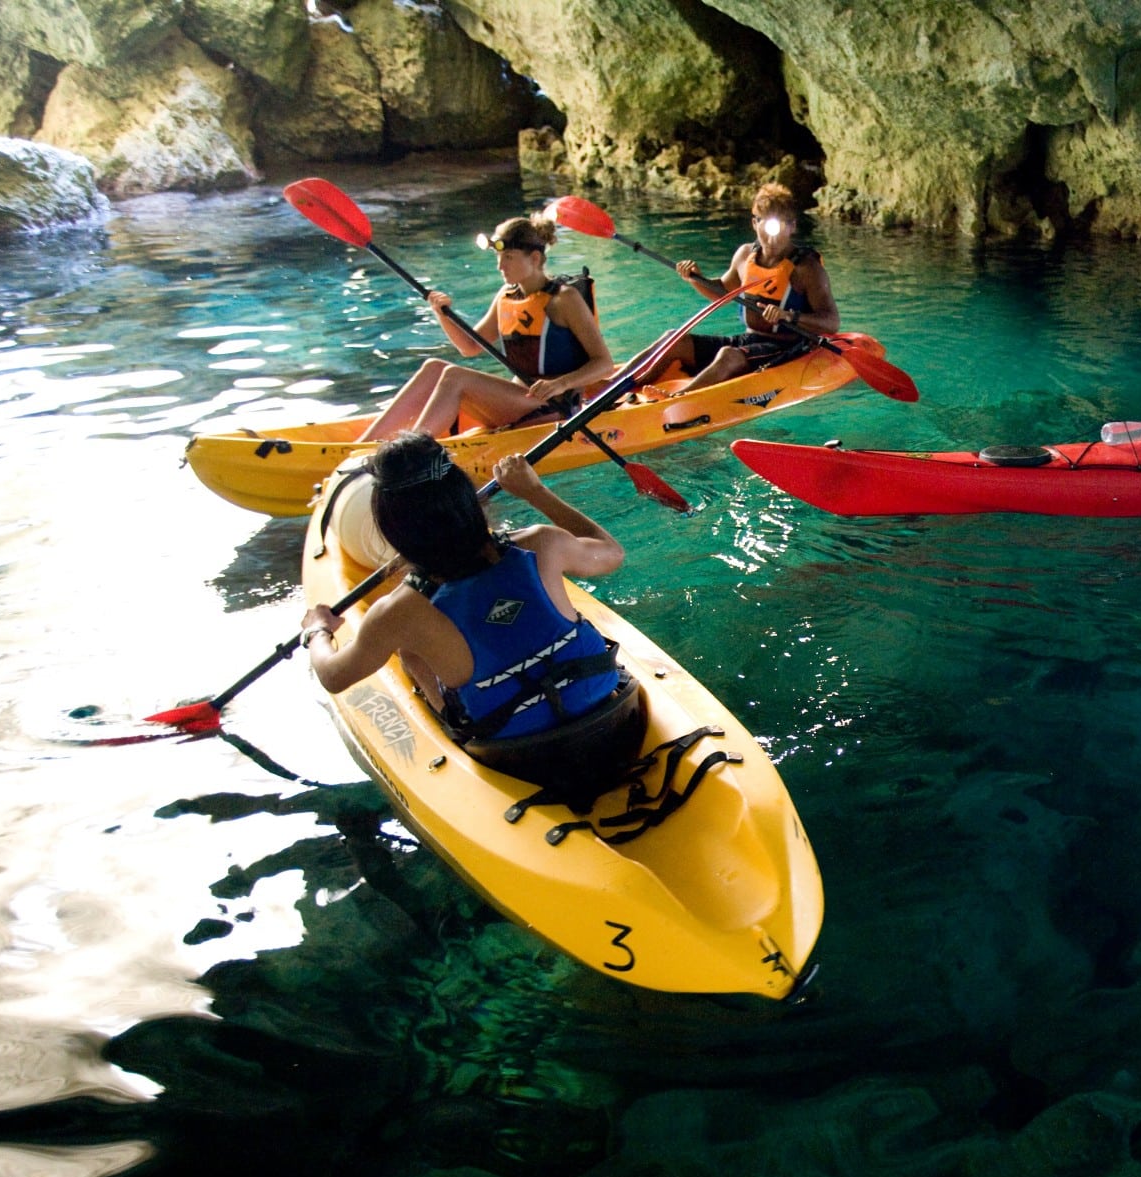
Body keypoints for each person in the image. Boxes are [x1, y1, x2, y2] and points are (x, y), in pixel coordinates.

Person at [300, 435, 633, 761]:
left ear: (393, 530)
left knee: (410, 653)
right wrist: (535, 492)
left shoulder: (398, 613)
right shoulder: (543, 544)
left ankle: (456, 739)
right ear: (468, 500)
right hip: (606, 707)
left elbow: (334, 676)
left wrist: (317, 631)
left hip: (514, 749)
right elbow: (612, 553)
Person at [359, 213, 620, 440]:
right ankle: (363, 445)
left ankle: (412, 451)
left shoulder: (564, 299)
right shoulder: (506, 296)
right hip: (519, 399)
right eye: (498, 256)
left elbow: (604, 364)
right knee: (434, 368)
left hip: (552, 406)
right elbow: (469, 347)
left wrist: (561, 384)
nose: (500, 266)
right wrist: (441, 314)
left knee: (454, 377)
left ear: (535, 258)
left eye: (509, 257)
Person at [629, 182, 839, 394]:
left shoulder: (807, 268)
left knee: (728, 355)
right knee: (673, 339)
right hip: (749, 340)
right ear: (755, 223)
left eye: (779, 226)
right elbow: (721, 292)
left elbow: (831, 322)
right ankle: (615, 384)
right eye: (766, 226)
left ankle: (676, 399)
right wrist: (695, 278)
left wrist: (789, 316)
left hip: (787, 348)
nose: (772, 237)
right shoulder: (745, 255)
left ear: (792, 226)